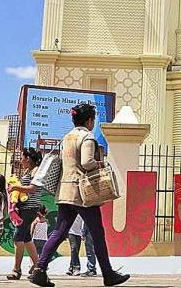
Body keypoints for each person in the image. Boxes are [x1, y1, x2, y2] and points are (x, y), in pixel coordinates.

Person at [29, 103, 129, 287]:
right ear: (90, 120)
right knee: (97, 234)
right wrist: (100, 165)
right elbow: (87, 162)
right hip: (83, 194)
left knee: (59, 232)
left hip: (65, 191)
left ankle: (39, 270)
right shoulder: (87, 137)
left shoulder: (67, 137)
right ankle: (108, 274)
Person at [7, 148, 45, 280]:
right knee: (27, 238)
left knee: (18, 237)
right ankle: (37, 266)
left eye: (22, 157)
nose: (20, 160)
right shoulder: (29, 171)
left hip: (29, 208)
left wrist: (16, 188)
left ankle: (16, 270)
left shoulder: (35, 171)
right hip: (26, 208)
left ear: (27, 158)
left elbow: (33, 189)